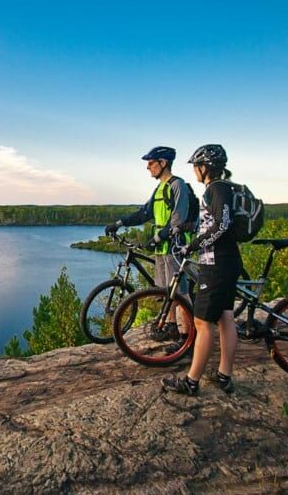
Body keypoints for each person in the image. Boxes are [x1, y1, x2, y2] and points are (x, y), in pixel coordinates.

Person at [162, 144, 242, 395]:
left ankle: (192, 381)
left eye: (196, 166)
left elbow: (222, 224)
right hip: (228, 261)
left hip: (215, 263)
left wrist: (193, 246)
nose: (194, 171)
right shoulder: (224, 188)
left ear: (205, 167)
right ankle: (224, 375)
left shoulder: (216, 188)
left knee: (201, 321)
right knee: (225, 316)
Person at [104, 146, 195, 341]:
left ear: (163, 163)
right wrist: (119, 223)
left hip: (174, 245)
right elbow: (145, 213)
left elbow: (177, 220)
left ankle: (188, 338)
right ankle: (171, 326)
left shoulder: (177, 186)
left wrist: (156, 238)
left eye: (151, 163)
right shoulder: (159, 189)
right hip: (162, 246)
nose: (148, 167)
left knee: (180, 292)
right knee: (165, 291)